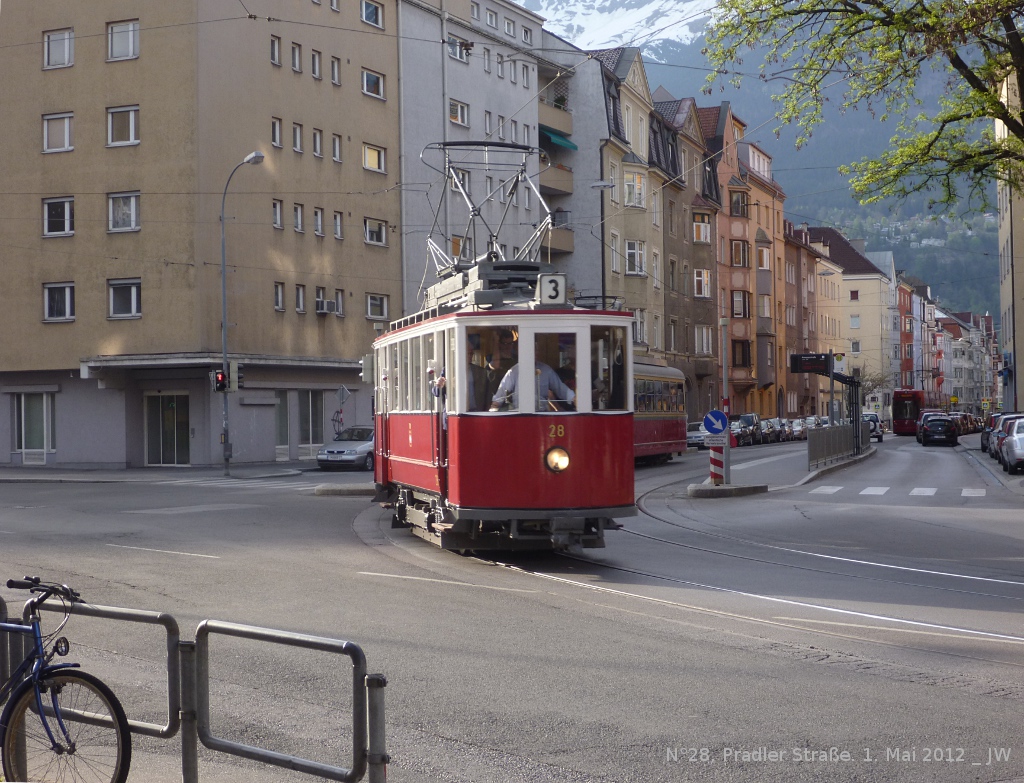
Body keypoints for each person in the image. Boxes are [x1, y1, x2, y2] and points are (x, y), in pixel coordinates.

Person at [489, 360, 575, 411]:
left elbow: (560, 388)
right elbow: (499, 397)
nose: (534, 351)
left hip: (542, 415)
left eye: (536, 349)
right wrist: (494, 411)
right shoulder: (514, 371)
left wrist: (574, 399)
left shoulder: (546, 370)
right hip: (519, 416)